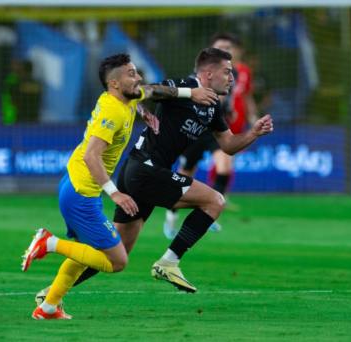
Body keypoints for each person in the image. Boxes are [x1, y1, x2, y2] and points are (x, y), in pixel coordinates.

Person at [22, 53, 217, 320]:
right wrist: (115, 193)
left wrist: (170, 99)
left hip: (73, 185)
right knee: (118, 260)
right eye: (131, 73)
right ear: (114, 83)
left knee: (87, 255)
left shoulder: (124, 99)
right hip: (81, 193)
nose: (138, 78)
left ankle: (47, 306)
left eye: (137, 72)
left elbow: (152, 90)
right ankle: (49, 242)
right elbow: (92, 155)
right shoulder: (113, 111)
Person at [164, 33, 259, 238]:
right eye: (222, 46)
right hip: (195, 129)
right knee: (185, 175)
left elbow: (229, 100)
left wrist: (233, 111)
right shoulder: (200, 73)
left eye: (229, 46)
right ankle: (171, 213)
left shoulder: (231, 76)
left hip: (216, 128)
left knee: (225, 167)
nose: (228, 49)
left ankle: (207, 214)